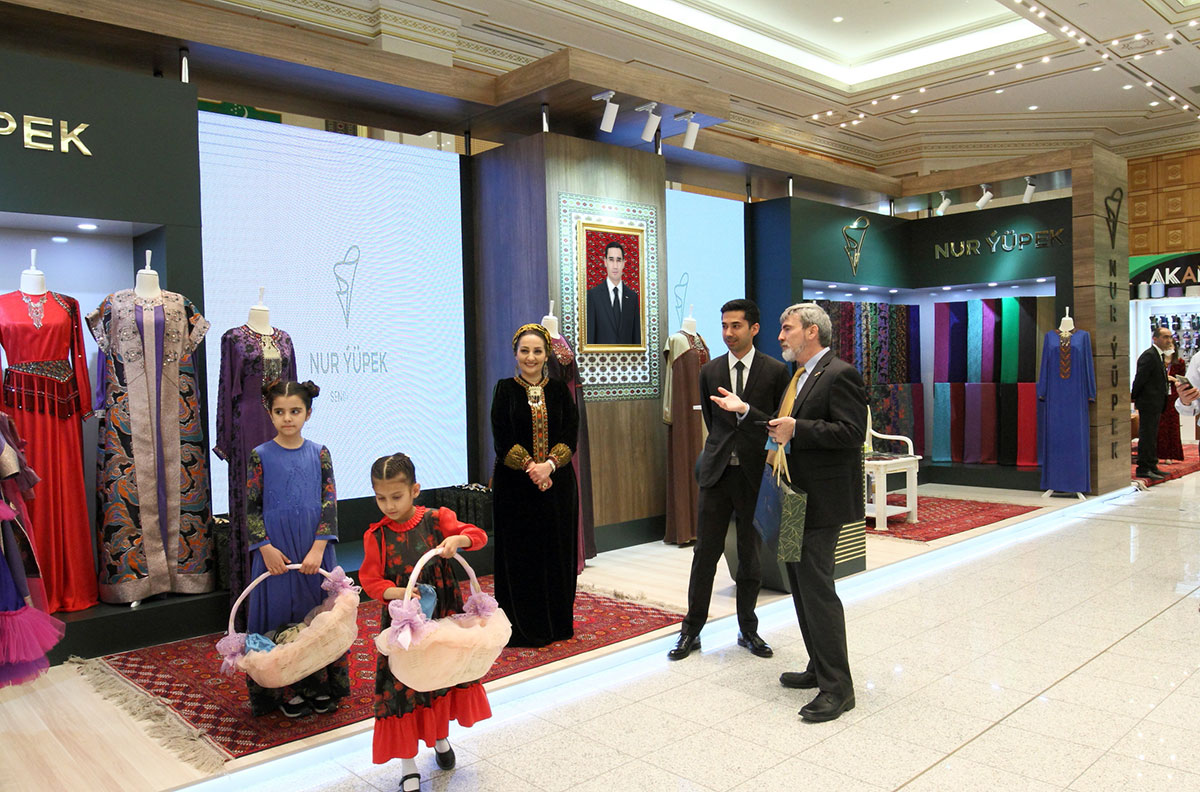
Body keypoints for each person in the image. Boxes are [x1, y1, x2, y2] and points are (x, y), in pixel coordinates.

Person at [713, 303, 866, 723]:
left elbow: (852, 433)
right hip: (795, 497)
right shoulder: (800, 375)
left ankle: (839, 688)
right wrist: (747, 411)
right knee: (799, 586)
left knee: (817, 590)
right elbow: (783, 425)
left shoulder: (839, 374)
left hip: (822, 502)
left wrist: (799, 430)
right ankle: (819, 666)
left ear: (812, 332)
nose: (780, 336)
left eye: (787, 328)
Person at [358, 453, 492, 792]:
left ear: (415, 490)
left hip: (442, 614)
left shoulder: (437, 519)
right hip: (404, 624)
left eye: (396, 496)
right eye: (381, 498)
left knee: (439, 676)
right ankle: (408, 765)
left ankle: (440, 738)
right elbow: (370, 580)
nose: (389, 505)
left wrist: (458, 539)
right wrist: (395, 591)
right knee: (402, 685)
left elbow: (477, 535)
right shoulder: (377, 536)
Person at [668, 299, 790, 662]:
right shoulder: (710, 371)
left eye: (736, 326)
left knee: (750, 555)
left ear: (754, 328)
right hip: (717, 473)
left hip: (753, 474)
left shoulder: (775, 371)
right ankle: (691, 630)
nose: (728, 333)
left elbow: (777, 423)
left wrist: (746, 412)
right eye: (724, 325)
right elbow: (714, 422)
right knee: (705, 553)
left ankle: (748, 629)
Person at [244, 380, 348, 718]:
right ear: (270, 413)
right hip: (275, 551)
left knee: (316, 617)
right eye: (280, 411)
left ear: (308, 413)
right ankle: (284, 691)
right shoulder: (259, 455)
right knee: (278, 616)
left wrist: (319, 548)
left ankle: (319, 686)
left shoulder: (320, 453)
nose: (287, 418)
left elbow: (329, 502)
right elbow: (251, 508)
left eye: (295, 411)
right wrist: (265, 548)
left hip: (312, 548)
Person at [490, 323, 579, 646]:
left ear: (546, 355)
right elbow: (502, 438)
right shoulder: (504, 390)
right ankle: (522, 627)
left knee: (556, 552)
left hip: (558, 485)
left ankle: (557, 624)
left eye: (537, 351)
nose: (531, 357)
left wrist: (549, 465)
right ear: (515, 354)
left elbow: (570, 434)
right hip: (515, 489)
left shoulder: (559, 391)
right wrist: (531, 467)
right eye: (524, 351)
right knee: (521, 555)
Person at [1131, 325, 1173, 480]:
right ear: (1155, 338)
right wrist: (1134, 397)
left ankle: (1152, 465)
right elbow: (1140, 379)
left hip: (1156, 403)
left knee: (1152, 436)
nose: (1169, 340)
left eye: (1170, 337)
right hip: (1148, 403)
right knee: (1147, 436)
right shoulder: (1149, 356)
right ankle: (1143, 468)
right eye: (1165, 337)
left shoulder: (1159, 356)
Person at [585, 241, 641, 345]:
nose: (615, 266)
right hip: (601, 355)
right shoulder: (593, 296)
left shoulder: (632, 297)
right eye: (611, 260)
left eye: (618, 260)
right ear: (605, 262)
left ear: (624, 263)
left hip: (627, 355)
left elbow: (636, 338)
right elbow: (590, 338)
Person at [1157, 349, 1185, 462]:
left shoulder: (1179, 362)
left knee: (1172, 425)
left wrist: (1172, 379)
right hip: (1159, 395)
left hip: (1173, 396)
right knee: (1160, 426)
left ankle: (1172, 455)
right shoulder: (1158, 361)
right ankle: (1159, 454)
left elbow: (1182, 379)